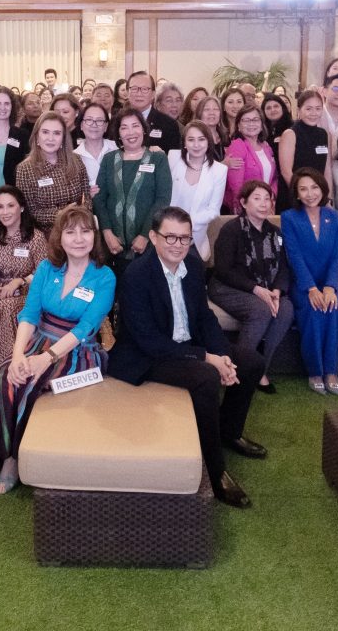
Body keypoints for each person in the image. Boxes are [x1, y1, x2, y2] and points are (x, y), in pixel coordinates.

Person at [108, 206, 266, 509]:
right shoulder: (136, 275)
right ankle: (216, 470)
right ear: (153, 237)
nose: (178, 245)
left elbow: (205, 318)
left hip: (188, 344)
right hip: (148, 355)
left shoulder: (193, 266)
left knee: (251, 363)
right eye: (170, 237)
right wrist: (206, 358)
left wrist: (222, 354)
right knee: (206, 377)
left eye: (185, 238)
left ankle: (229, 432)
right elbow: (147, 339)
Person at [0, 203, 114, 494]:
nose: (78, 239)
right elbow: (29, 314)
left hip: (78, 350)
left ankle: (15, 458)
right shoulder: (47, 268)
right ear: (60, 237)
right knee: (4, 375)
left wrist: (46, 359)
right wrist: (18, 354)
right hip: (38, 339)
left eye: (85, 232)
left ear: (94, 237)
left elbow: (86, 329)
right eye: (71, 232)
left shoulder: (104, 276)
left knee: (33, 383)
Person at [208, 181, 294, 393]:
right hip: (227, 287)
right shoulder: (231, 230)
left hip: (265, 288)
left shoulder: (276, 233)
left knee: (286, 309)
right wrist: (257, 289)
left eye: (267, 199)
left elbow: (284, 266)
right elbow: (223, 270)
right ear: (244, 203)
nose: (263, 204)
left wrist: (276, 291)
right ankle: (238, 368)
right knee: (260, 310)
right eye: (257, 198)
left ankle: (259, 368)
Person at [280, 168, 338, 395]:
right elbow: (294, 256)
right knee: (313, 311)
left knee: (333, 310)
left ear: (323, 189)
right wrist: (311, 288)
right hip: (303, 284)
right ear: (297, 194)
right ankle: (315, 372)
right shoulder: (289, 217)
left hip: (330, 283)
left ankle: (331, 371)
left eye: (314, 187)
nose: (310, 193)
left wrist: (330, 287)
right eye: (303, 189)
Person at [0, 185, 49, 385]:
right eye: (0, 207)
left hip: (28, 293)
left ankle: (14, 368)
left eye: (10, 206)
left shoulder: (35, 237)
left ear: (21, 208)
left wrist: (20, 281)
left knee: (8, 308)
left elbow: (43, 273)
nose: (5, 212)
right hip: (1, 293)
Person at [95, 109, 172, 277]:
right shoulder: (109, 160)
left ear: (144, 129)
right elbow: (100, 199)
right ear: (118, 133)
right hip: (113, 245)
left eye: (135, 126)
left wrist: (145, 235)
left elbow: (163, 200)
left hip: (149, 241)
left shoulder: (157, 158)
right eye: (124, 127)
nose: (130, 132)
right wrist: (107, 233)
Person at [15, 112, 90, 232]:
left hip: (76, 229)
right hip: (45, 234)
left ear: (63, 137)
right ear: (36, 136)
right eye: (45, 132)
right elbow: (29, 211)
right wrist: (61, 215)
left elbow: (87, 197)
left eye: (57, 133)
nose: (50, 138)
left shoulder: (76, 160)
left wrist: (80, 217)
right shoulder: (25, 169)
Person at [168, 121, 227, 260]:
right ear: (184, 143)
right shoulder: (173, 158)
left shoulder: (219, 170)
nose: (196, 145)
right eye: (191, 139)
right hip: (167, 234)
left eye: (201, 139)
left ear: (208, 142)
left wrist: (185, 225)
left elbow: (214, 210)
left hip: (194, 239)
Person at [277, 89, 331, 209]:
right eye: (308, 108)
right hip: (294, 197)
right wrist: (304, 196)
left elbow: (326, 169)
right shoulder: (290, 133)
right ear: (299, 110)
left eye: (318, 108)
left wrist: (327, 197)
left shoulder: (324, 134)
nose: (314, 113)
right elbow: (286, 172)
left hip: (317, 198)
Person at [223, 106, 278, 214]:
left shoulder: (266, 147)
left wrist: (271, 197)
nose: (251, 124)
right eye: (246, 120)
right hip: (247, 208)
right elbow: (236, 186)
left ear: (262, 125)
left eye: (255, 119)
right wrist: (243, 208)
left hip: (267, 205)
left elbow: (274, 178)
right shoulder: (237, 146)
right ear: (238, 126)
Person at [117, 71, 181, 153]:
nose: (139, 93)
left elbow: (173, 159)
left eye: (144, 89)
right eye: (134, 89)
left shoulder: (169, 124)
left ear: (153, 94)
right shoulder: (117, 121)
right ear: (127, 92)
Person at [73, 103, 117, 194]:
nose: (94, 124)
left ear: (106, 126)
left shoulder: (117, 149)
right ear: (81, 125)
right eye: (89, 120)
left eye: (99, 120)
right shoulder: (73, 157)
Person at [196, 96, 228, 160]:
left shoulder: (224, 136)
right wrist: (224, 164)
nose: (212, 113)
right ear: (199, 113)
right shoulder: (196, 139)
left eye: (216, 109)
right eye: (207, 109)